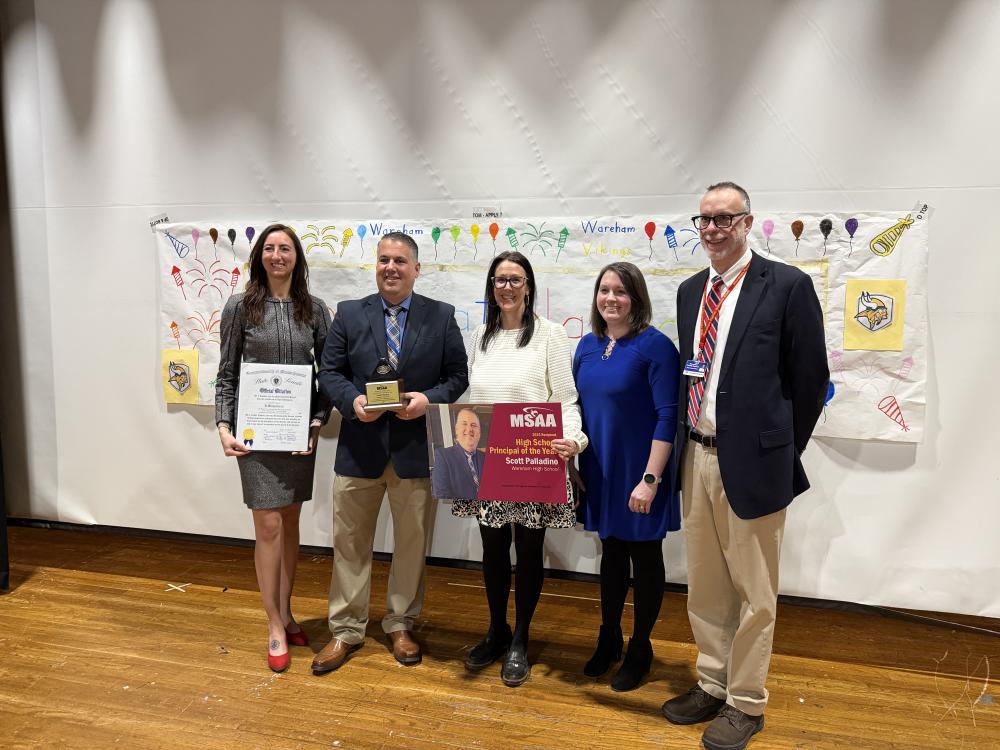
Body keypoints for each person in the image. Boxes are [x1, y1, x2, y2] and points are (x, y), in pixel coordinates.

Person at [661, 182, 828, 750]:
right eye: (704, 219)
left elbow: (809, 382)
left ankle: (747, 702)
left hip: (755, 462)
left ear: (748, 222)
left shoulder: (786, 286)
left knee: (756, 590)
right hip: (696, 456)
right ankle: (711, 682)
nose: (712, 228)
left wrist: (781, 448)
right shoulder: (689, 293)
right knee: (705, 585)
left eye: (724, 219)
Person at [313, 231, 468, 674]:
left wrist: (428, 401)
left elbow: (457, 375)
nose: (391, 268)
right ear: (375, 265)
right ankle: (345, 629)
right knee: (350, 544)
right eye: (384, 260)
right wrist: (351, 401)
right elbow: (330, 371)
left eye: (400, 261)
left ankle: (401, 623)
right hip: (359, 451)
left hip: (414, 451)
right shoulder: (348, 313)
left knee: (411, 544)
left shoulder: (440, 317)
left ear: (416, 269)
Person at [452, 250, 588, 687]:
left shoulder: (549, 336)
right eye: (499, 280)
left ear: (528, 285)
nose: (506, 287)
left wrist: (575, 440)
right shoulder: (480, 338)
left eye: (514, 279)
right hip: (489, 459)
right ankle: (497, 630)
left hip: (534, 457)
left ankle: (521, 640)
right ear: (491, 287)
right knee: (492, 551)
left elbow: (565, 398)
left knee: (528, 551)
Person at [215, 223, 332, 673]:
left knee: (289, 520)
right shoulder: (240, 308)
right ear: (259, 257)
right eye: (269, 248)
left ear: (297, 258)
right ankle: (274, 627)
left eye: (285, 248)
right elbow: (227, 373)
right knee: (267, 526)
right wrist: (224, 425)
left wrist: (316, 424)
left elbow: (328, 378)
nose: (277, 255)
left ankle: (286, 610)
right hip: (256, 437)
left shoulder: (315, 310)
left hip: (297, 436)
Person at [573, 261, 680, 692]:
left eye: (620, 291)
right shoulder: (586, 345)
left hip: (641, 471)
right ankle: (609, 636)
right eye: (604, 290)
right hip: (599, 468)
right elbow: (574, 409)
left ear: (636, 298)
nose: (610, 298)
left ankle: (641, 647)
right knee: (611, 553)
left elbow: (668, 416)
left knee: (645, 556)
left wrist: (650, 480)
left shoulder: (656, 347)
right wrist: (570, 462)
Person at [431, 408, 486, 501]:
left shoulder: (487, 458)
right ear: (456, 430)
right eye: (464, 424)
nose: (469, 429)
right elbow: (442, 496)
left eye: (474, 425)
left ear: (479, 433)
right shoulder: (443, 456)